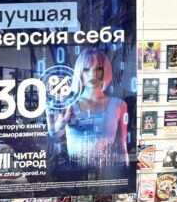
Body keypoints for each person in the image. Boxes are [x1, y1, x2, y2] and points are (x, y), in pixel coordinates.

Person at [51, 47, 130, 181]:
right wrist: (60, 125)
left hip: (107, 174)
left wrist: (125, 172)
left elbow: (122, 143)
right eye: (86, 69)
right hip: (75, 176)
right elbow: (55, 137)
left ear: (105, 71)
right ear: (80, 72)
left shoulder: (119, 105)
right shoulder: (69, 104)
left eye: (98, 68)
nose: (92, 74)